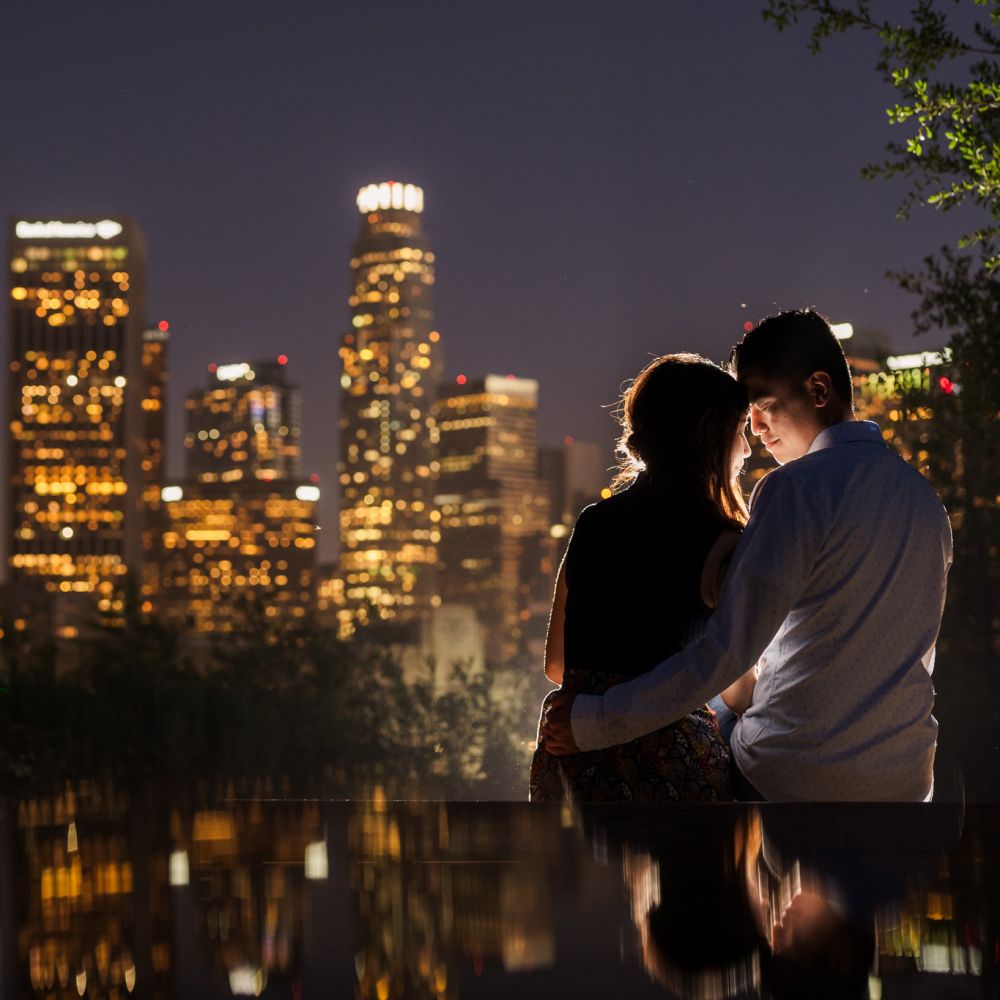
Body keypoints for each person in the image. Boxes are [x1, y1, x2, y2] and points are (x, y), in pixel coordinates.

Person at [540, 309, 953, 802]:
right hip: (906, 779)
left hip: (793, 775)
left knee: (723, 701)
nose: (754, 430)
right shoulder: (926, 500)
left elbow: (727, 650)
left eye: (761, 405)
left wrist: (593, 723)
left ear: (818, 391)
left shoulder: (793, 489)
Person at [529, 353, 757, 802]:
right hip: (672, 766)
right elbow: (738, 691)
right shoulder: (722, 541)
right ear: (709, 438)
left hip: (575, 767)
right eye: (740, 431)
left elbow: (557, 663)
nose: (747, 448)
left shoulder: (593, 523)